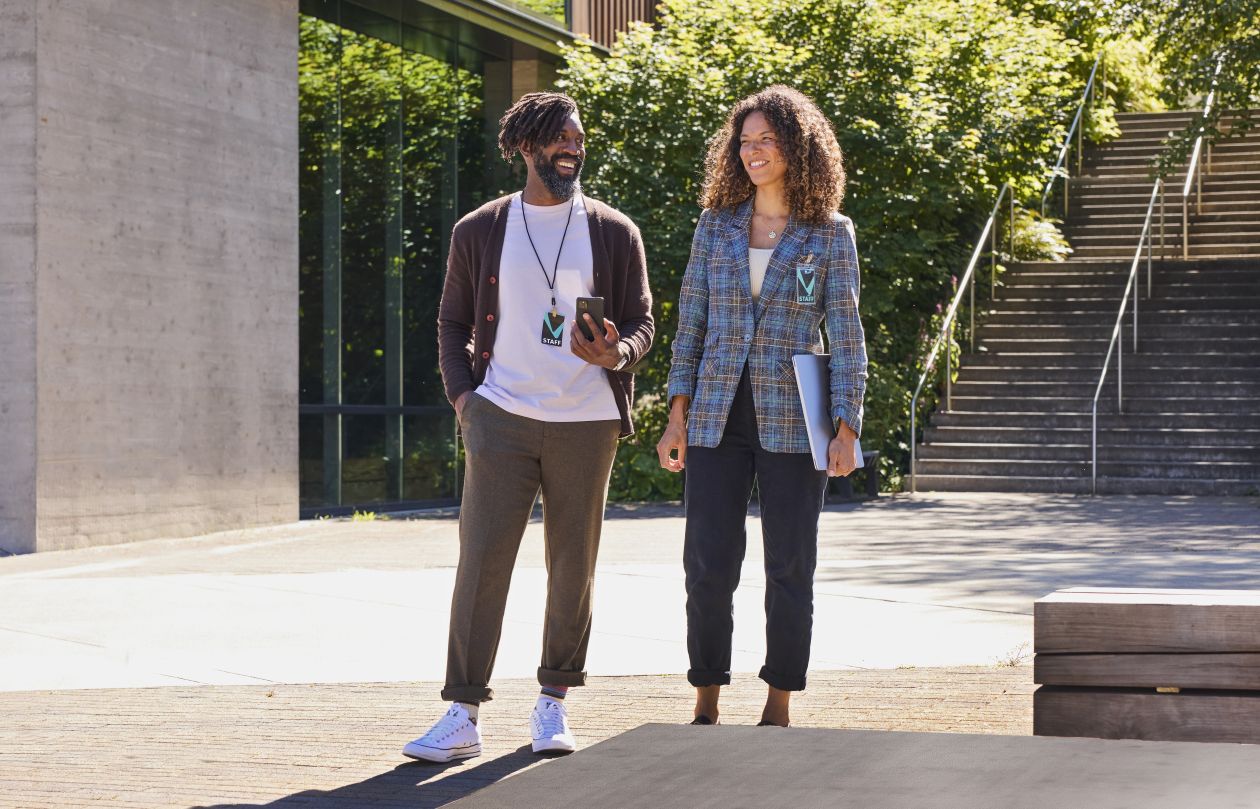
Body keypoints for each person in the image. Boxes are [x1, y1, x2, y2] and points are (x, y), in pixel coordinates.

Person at [403, 92, 653, 762]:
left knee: (574, 565)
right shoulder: (480, 229)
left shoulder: (613, 229)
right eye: (558, 137)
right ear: (524, 145)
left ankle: (553, 703)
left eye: (578, 137)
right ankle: (461, 713)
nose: (572, 146)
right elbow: (453, 323)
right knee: (482, 561)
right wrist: (466, 400)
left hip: (586, 420)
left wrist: (617, 352)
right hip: (501, 418)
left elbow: (642, 322)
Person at [656, 85, 867, 728]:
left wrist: (846, 427)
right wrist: (676, 414)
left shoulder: (829, 235)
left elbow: (848, 334)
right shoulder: (715, 227)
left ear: (796, 147)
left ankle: (778, 700)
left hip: (794, 419)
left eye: (764, 140)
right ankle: (706, 696)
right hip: (717, 412)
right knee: (709, 562)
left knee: (790, 564)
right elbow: (690, 324)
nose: (751, 152)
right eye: (742, 142)